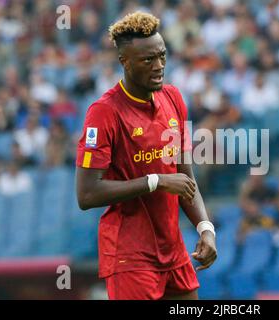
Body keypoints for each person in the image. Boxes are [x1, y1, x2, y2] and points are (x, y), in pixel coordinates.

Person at [75, 12, 216, 300]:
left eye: (162, 56)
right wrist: (156, 181)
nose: (159, 66)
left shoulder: (173, 98)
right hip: (130, 256)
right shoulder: (104, 113)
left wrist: (205, 228)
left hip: (173, 250)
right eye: (147, 60)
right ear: (124, 62)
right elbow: (87, 195)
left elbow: (185, 177)